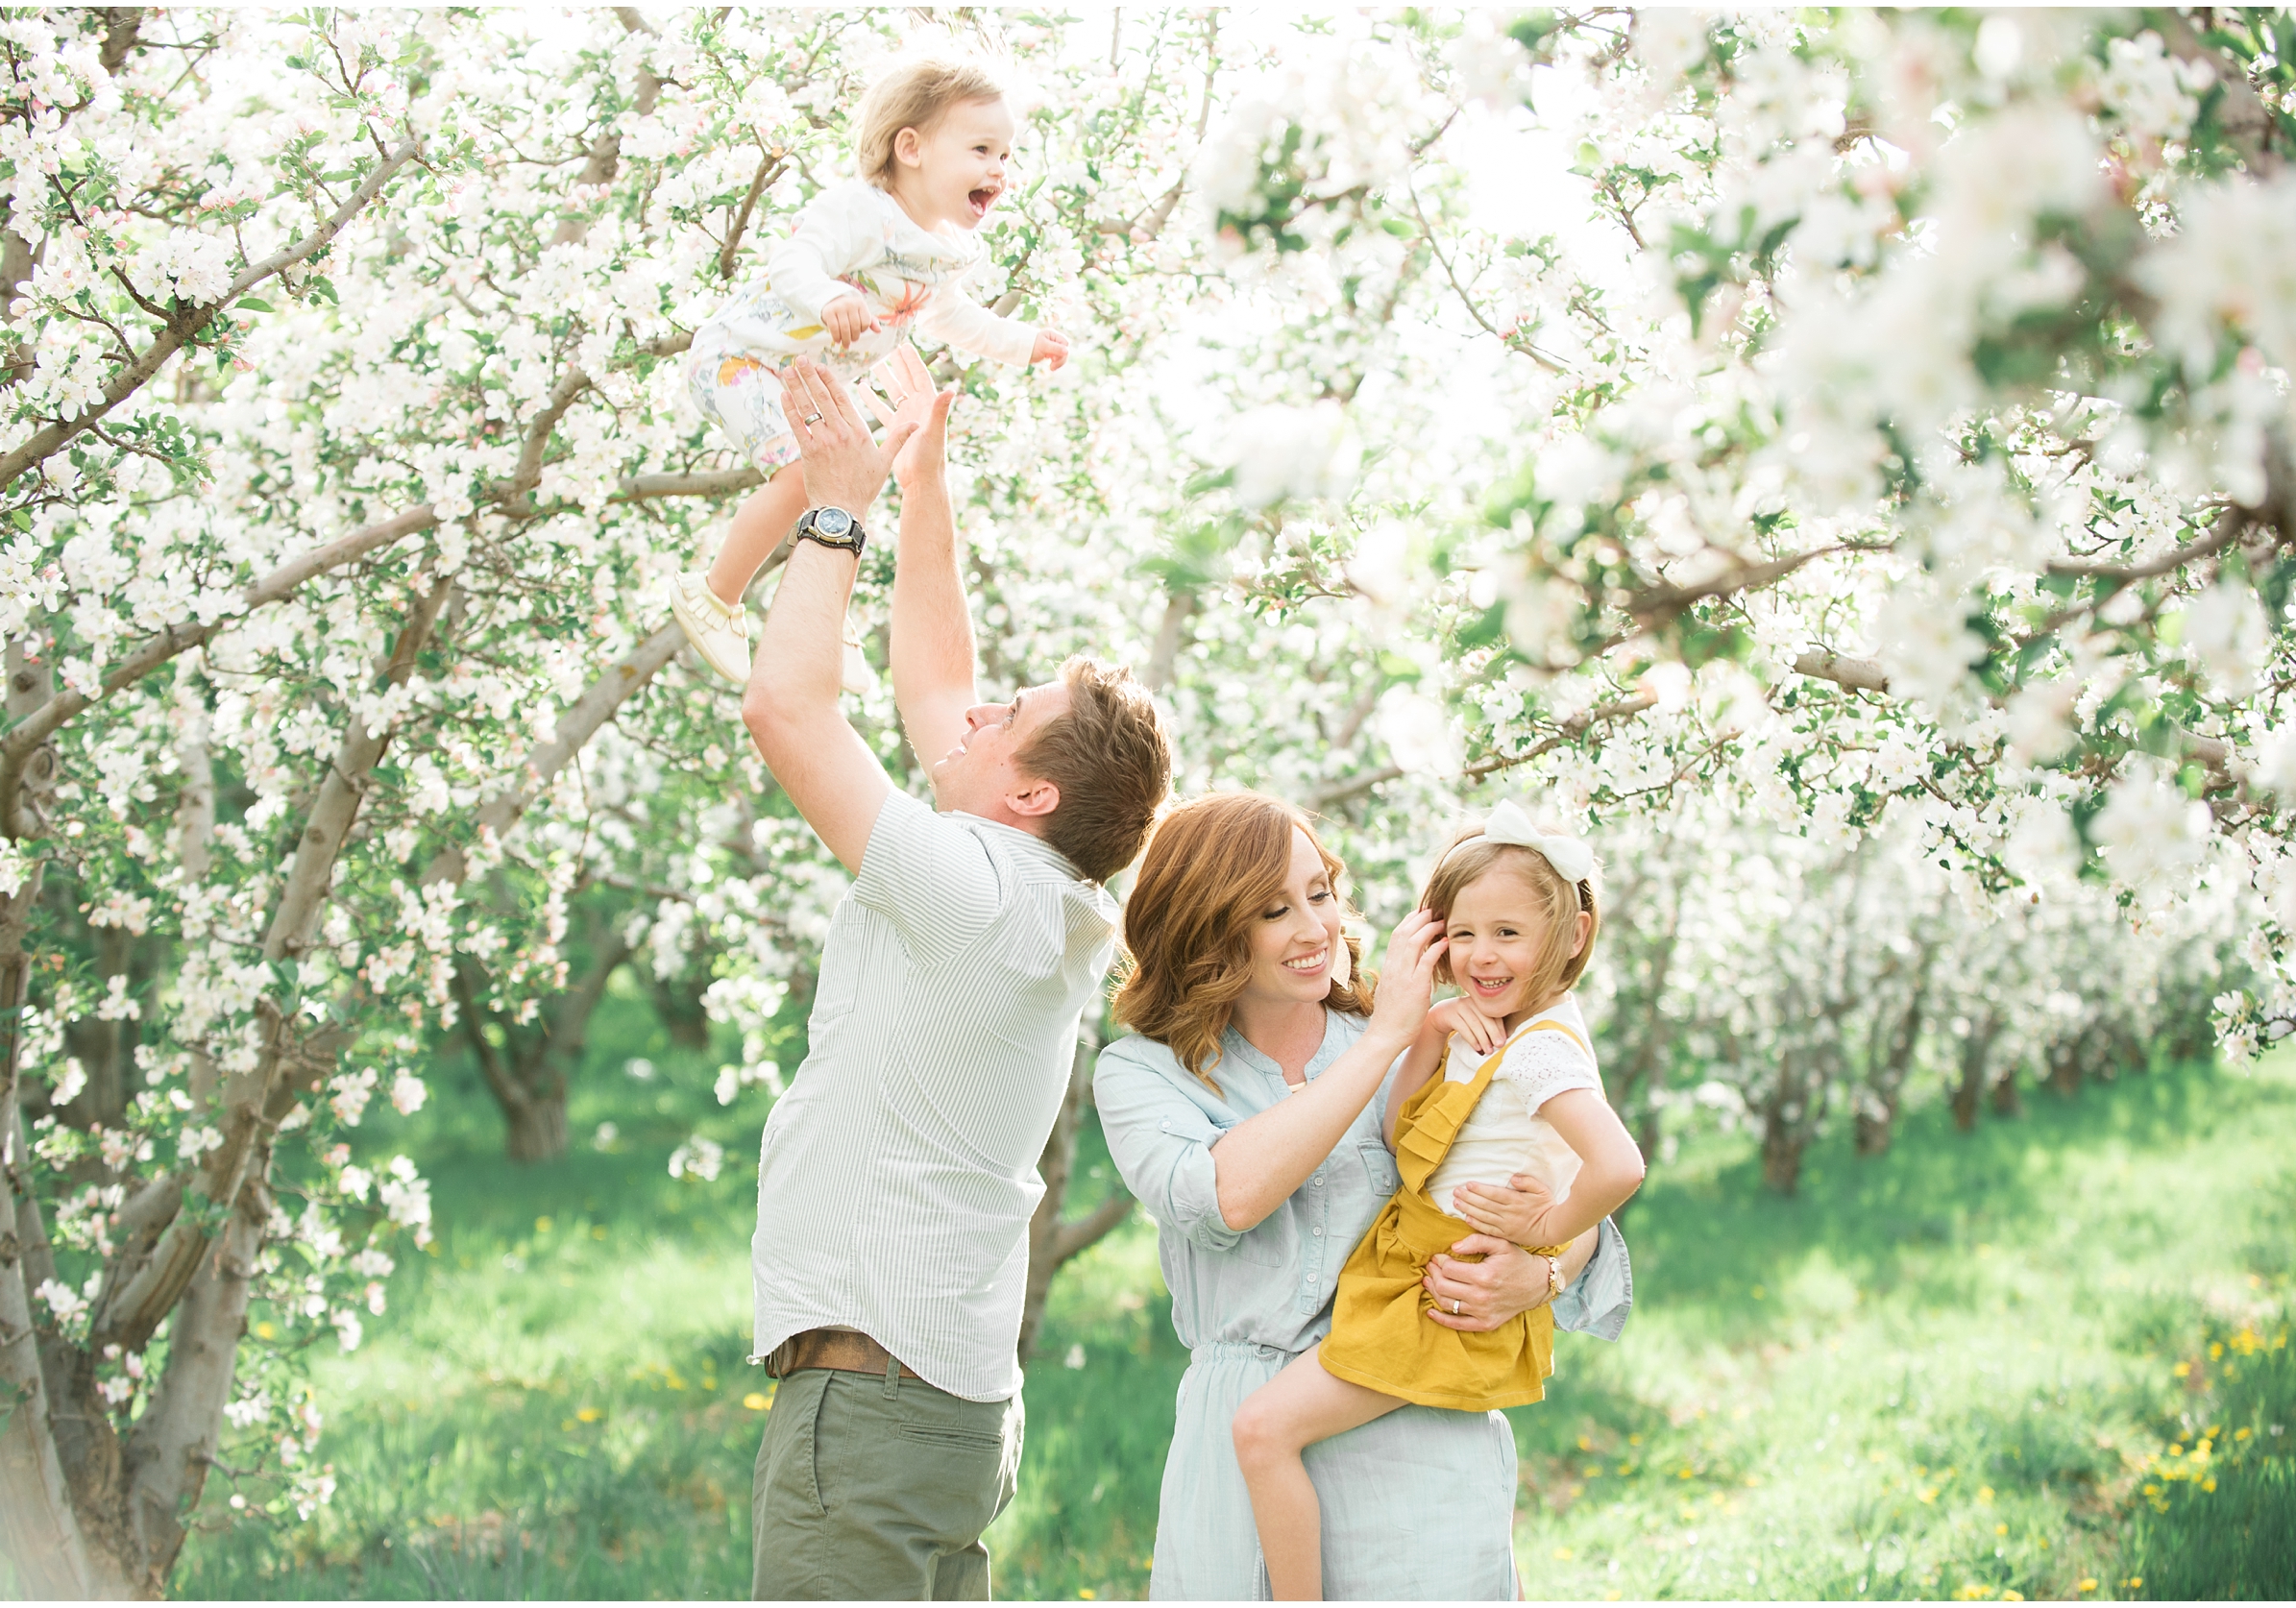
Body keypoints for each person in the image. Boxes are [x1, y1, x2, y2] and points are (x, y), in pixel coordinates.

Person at [737, 353, 1170, 1600]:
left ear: (1030, 792)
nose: (972, 715)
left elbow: (786, 707)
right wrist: (926, 478)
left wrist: (837, 511)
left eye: (1008, 715)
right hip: (943, 1413)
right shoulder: (1041, 898)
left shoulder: (968, 892)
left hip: (868, 1417)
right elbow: (934, 681)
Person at [1092, 793, 1635, 1600]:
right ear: (1207, 928)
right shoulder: (1142, 1074)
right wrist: (1389, 1036)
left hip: (1414, 1424)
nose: (1316, 928)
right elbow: (1222, 1197)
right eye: (1276, 909)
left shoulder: (1431, 1035)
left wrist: (1542, 1274)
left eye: (1321, 892)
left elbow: (1543, 1182)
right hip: (1246, 1435)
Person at [671, 53, 1068, 691]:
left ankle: (828, 613)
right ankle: (714, 596)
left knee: (854, 478)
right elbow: (793, 262)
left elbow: (954, 318)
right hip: (743, 359)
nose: (999, 169)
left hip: (808, 384)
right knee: (808, 475)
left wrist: (1024, 343)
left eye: (1007, 155)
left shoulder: (941, 252)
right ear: (910, 147)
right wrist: (828, 296)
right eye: (982, 149)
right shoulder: (860, 210)